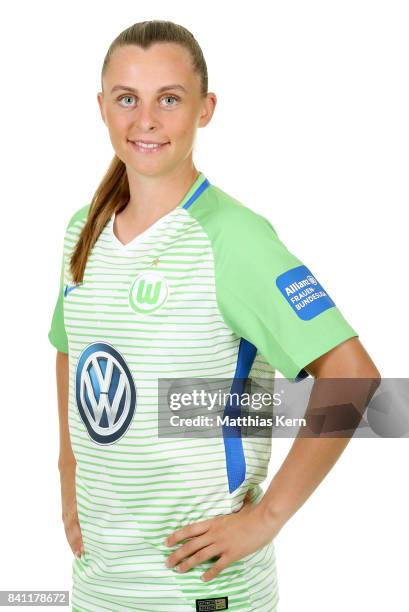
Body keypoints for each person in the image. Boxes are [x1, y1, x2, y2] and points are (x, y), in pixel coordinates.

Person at [48, 20, 380, 612]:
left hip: (203, 590)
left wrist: (266, 518)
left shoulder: (235, 241)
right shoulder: (84, 230)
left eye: (168, 99)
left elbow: (353, 377)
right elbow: (71, 349)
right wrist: (68, 473)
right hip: (100, 585)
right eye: (127, 98)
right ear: (101, 107)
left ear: (205, 109)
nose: (145, 121)